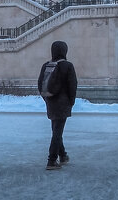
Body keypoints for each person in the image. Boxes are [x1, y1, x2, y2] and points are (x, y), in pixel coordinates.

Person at [38, 40, 77, 170]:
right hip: (63, 102)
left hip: (50, 101)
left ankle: (63, 155)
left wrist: (47, 99)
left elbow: (40, 84)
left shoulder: (46, 65)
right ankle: (52, 160)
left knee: (56, 130)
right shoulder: (68, 66)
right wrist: (71, 101)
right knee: (57, 132)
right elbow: (72, 85)